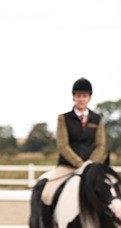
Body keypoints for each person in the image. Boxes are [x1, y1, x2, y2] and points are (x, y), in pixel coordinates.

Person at [37, 77, 108, 217]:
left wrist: (89, 164)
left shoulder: (97, 119)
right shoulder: (64, 118)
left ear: (90, 97)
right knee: (47, 194)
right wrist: (79, 163)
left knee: (110, 193)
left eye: (84, 96)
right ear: (73, 97)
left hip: (91, 167)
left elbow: (101, 145)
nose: (81, 99)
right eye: (78, 96)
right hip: (67, 166)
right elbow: (63, 145)